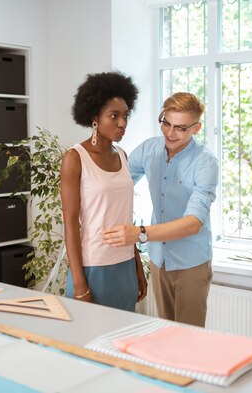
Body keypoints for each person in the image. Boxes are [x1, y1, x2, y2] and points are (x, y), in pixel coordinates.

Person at [103, 92, 218, 327]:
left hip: (191, 263)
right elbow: (118, 184)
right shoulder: (149, 149)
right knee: (165, 330)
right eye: (166, 123)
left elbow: (193, 222)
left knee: (189, 338)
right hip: (158, 259)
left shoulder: (205, 162)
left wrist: (140, 233)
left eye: (180, 128)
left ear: (196, 128)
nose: (170, 133)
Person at [60, 72, 147, 312]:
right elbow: (70, 224)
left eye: (125, 116)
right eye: (114, 116)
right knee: (85, 345)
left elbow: (125, 217)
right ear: (94, 117)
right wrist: (79, 284)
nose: (122, 123)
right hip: (93, 267)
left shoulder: (123, 155)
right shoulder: (75, 158)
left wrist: (137, 265)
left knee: (120, 345)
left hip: (125, 265)